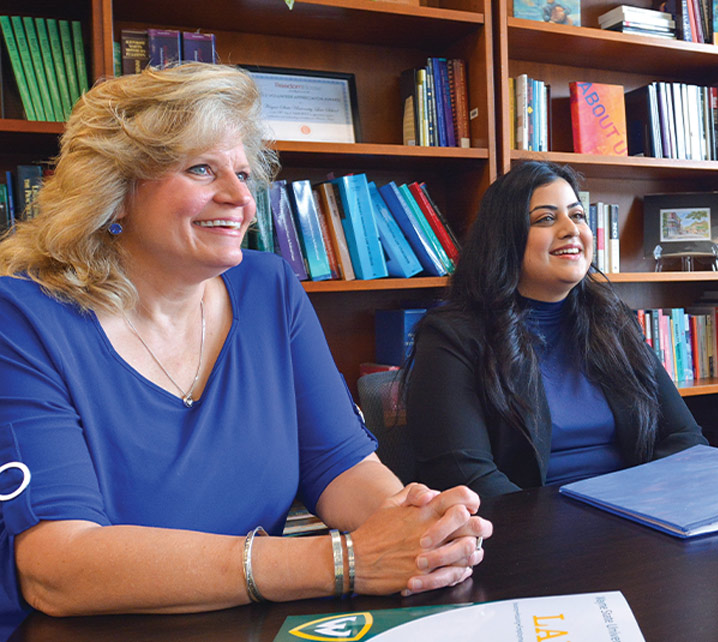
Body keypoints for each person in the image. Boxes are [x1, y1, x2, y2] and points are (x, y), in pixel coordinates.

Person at [0, 63, 490, 636]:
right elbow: (56, 568)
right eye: (202, 169)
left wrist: (418, 527)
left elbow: (339, 463)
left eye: (242, 172)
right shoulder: (21, 317)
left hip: (251, 624)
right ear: (117, 192)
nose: (239, 197)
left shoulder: (268, 287)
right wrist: (345, 563)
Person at [404, 161, 707, 497]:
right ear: (505, 240)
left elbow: (685, 439)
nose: (570, 229)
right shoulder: (453, 336)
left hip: (634, 521)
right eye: (546, 219)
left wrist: (645, 506)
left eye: (577, 215)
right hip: (525, 534)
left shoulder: (612, 320)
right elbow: (467, 478)